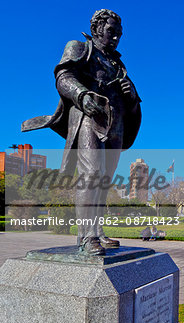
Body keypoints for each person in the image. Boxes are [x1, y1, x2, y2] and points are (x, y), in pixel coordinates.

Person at [22, 9, 142, 255]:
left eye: (120, 34)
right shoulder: (79, 47)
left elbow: (132, 100)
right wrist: (81, 94)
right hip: (90, 118)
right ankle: (86, 237)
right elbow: (63, 76)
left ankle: (97, 232)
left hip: (116, 125)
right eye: (112, 32)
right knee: (91, 175)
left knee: (103, 180)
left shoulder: (118, 63)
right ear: (97, 28)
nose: (117, 38)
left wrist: (131, 96)